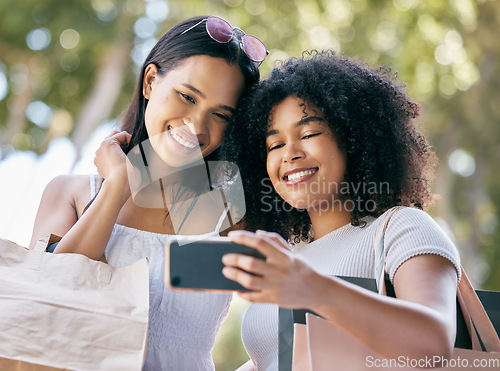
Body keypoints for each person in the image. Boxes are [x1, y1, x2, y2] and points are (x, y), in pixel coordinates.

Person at [28, 15, 264, 370]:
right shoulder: (71, 193)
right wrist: (117, 187)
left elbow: (290, 312)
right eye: (187, 96)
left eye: (220, 115)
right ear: (151, 81)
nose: (197, 125)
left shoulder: (232, 214)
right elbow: (49, 294)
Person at [221, 50, 461, 370]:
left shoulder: (400, 226)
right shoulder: (294, 263)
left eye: (308, 134)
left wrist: (311, 288)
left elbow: (433, 347)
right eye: (274, 144)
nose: (289, 154)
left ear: (352, 138)